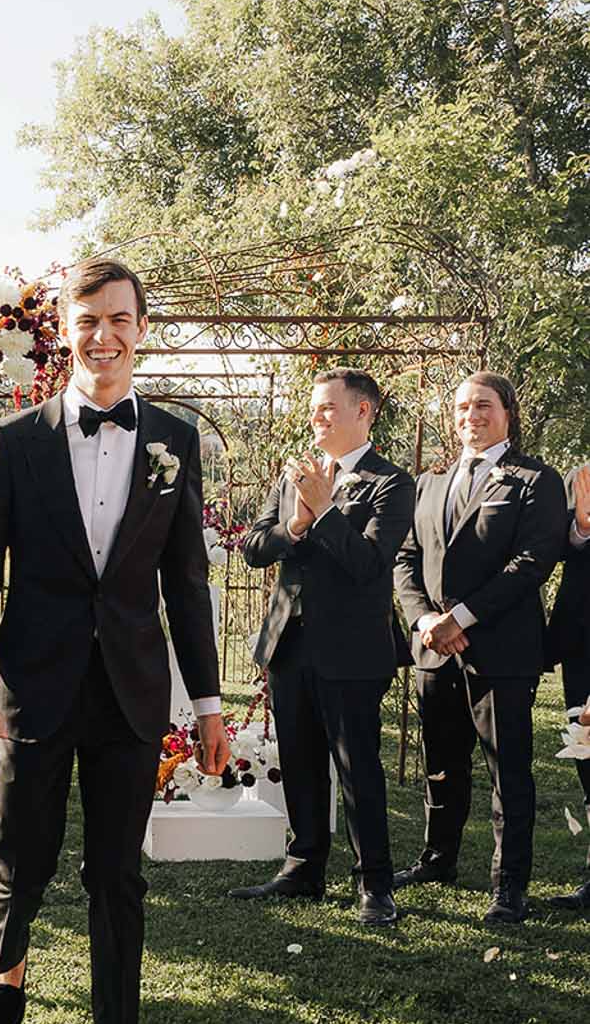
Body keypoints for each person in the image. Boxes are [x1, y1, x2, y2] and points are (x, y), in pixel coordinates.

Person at [0, 256, 225, 1024]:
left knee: (117, 875)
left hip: (131, 692)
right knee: (22, 854)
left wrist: (210, 704)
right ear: (62, 333)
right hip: (33, 686)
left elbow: (186, 582)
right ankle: (10, 955)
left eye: (119, 320)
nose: (102, 336)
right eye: (87, 321)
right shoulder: (15, 439)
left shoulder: (176, 443)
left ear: (141, 330)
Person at [229, 370, 414, 925]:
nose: (317, 417)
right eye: (314, 408)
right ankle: (304, 865)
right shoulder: (295, 476)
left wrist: (326, 512)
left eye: (329, 408)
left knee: (358, 767)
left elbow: (368, 565)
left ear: (365, 412)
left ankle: (374, 884)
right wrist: (296, 523)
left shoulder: (391, 483)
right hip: (290, 644)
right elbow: (254, 547)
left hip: (353, 650)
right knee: (301, 761)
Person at [393, 372, 565, 926]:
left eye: (483, 405)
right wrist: (424, 621)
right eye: (463, 407)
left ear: (507, 413)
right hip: (434, 649)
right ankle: (437, 860)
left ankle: (509, 884)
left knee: (507, 770)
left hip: (503, 650)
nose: (471, 415)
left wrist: (460, 618)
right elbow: (405, 558)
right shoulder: (429, 483)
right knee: (441, 763)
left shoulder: (537, 480)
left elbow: (532, 563)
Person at [546, 461, 590, 912]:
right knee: (589, 754)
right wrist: (580, 526)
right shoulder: (583, 476)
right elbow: (556, 546)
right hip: (582, 645)